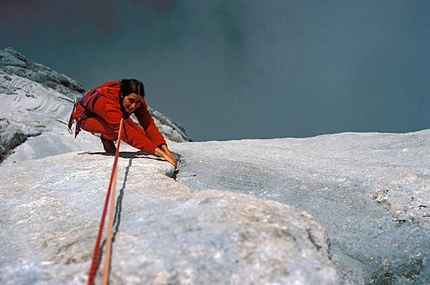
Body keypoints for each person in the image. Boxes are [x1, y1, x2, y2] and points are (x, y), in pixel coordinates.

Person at [71, 79, 177, 167]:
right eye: (130, 100)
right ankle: (107, 138)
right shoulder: (108, 104)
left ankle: (109, 135)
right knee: (114, 131)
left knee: (143, 135)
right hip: (86, 117)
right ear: (122, 95)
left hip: (112, 115)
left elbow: (148, 124)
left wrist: (165, 149)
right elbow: (126, 134)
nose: (133, 106)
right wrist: (160, 153)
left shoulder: (137, 99)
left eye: (138, 102)